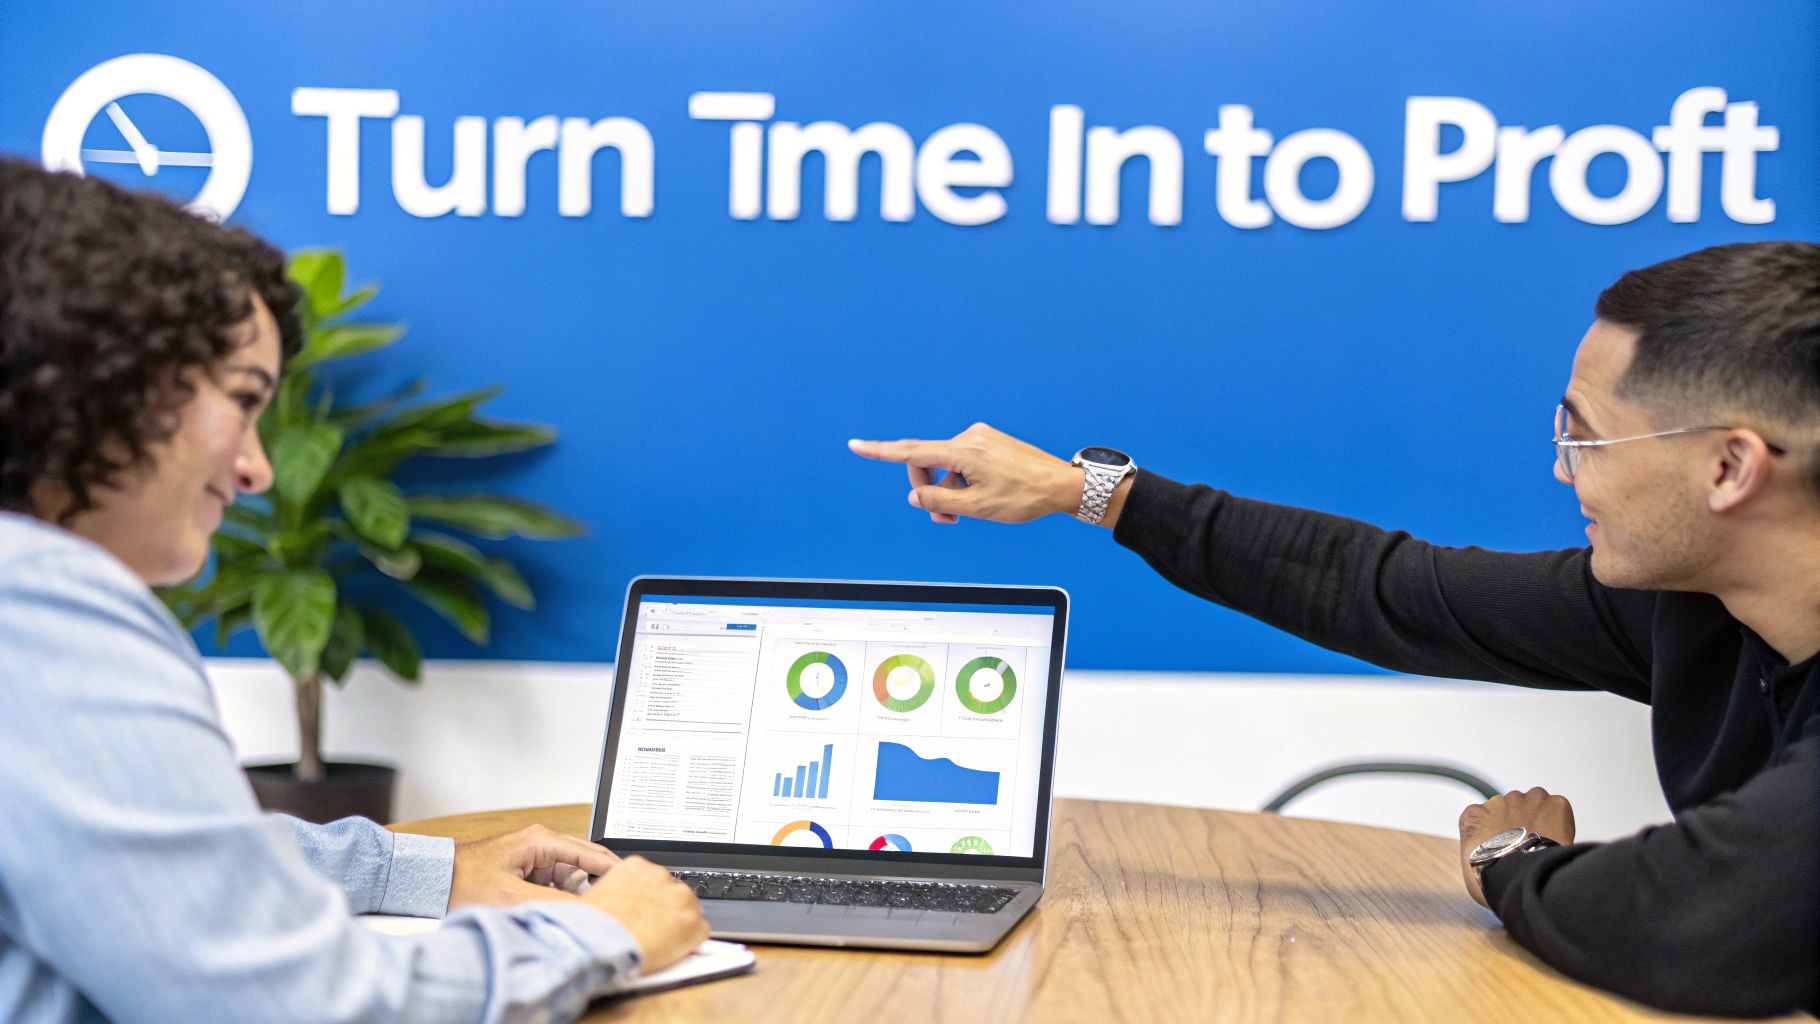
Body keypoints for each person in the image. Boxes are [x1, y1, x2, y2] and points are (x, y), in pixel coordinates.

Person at [850, 241, 1820, 1017]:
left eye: (1583, 435)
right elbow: (1377, 587)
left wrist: (1504, 858)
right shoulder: (1695, 606)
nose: (1563, 472)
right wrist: (1088, 492)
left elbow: (1688, 921)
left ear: (1729, 468)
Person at [0, 160, 707, 1023]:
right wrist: (605, 935)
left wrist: (433, 870)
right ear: (103, 376)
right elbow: (302, 1004)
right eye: (243, 399)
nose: (259, 468)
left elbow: (157, 854)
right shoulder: (41, 613)